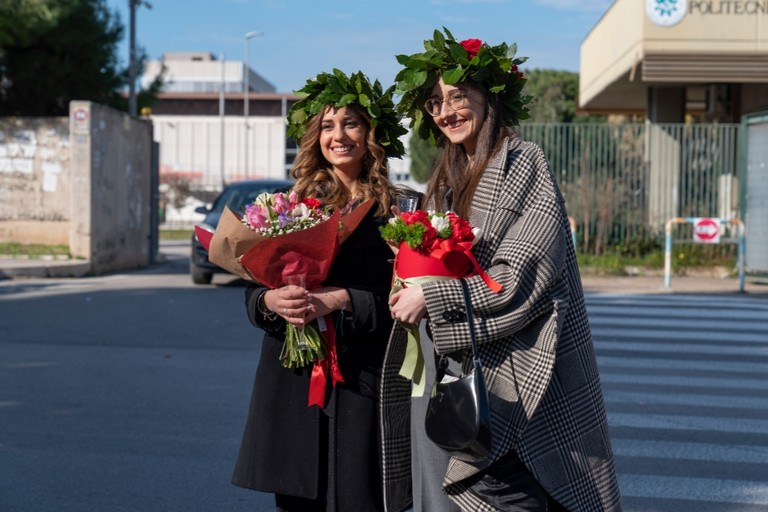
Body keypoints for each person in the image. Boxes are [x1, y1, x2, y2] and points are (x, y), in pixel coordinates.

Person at [384, 28, 622, 511]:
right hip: (467, 370)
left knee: (519, 492)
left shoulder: (522, 162)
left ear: (488, 98)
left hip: (522, 373)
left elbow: (523, 275)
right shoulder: (449, 178)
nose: (445, 111)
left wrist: (432, 296)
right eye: (434, 102)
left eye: (457, 96)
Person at [231, 69, 411, 512]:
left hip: (364, 384)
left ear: (371, 133)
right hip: (295, 385)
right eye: (328, 126)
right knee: (298, 504)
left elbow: (410, 299)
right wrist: (271, 301)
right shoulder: (289, 204)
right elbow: (254, 295)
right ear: (315, 137)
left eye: (351, 123)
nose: (339, 136)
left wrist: (344, 299)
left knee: (361, 501)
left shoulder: (401, 209)